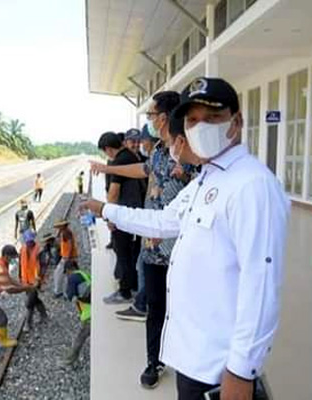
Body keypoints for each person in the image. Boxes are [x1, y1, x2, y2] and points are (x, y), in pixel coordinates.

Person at [82, 77, 290, 400]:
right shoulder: (208, 179)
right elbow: (162, 221)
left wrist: (242, 370)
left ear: (236, 123)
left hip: (220, 370)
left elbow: (261, 283)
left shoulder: (252, 185)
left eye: (212, 117)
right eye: (193, 119)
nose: (199, 126)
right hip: (194, 360)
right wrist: (107, 210)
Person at [91, 91, 191, 388]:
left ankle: (188, 360)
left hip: (182, 248)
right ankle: (154, 361)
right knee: (156, 306)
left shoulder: (192, 153)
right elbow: (143, 170)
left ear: (165, 117)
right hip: (153, 246)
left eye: (151, 115)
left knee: (185, 306)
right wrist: (107, 168)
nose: (149, 120)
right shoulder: (159, 150)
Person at [97, 132, 145, 304]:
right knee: (132, 252)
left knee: (123, 252)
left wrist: (109, 216)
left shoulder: (119, 161)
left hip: (125, 215)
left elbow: (114, 191)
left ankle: (125, 292)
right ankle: (132, 286)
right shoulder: (131, 156)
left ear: (108, 149)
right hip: (136, 212)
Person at [61, 260, 91, 366]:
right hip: (95, 308)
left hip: (88, 313)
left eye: (66, 272)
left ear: (69, 270)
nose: (67, 275)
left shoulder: (72, 278)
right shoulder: (85, 274)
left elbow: (70, 296)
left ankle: (69, 360)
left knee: (80, 337)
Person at [19, 230, 48, 331]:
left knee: (29, 302)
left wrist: (39, 279)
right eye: (27, 241)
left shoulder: (39, 250)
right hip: (25, 281)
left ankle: (28, 323)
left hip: (35, 281)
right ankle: (44, 314)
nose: (29, 243)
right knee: (34, 300)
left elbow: (43, 266)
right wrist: (20, 278)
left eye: (30, 241)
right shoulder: (22, 249)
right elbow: (20, 265)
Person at [52, 219, 78, 298]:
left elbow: (70, 245)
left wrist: (68, 258)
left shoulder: (66, 233)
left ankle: (58, 292)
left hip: (67, 257)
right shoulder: (64, 232)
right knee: (68, 275)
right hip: (68, 257)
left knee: (58, 273)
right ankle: (69, 292)